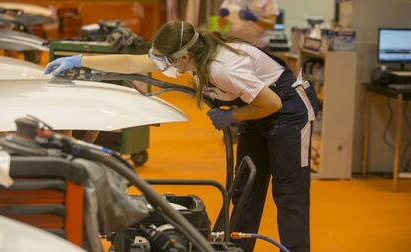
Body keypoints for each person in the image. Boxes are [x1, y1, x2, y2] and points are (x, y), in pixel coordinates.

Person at [45, 20, 318, 252]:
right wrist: (80, 60)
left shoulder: (223, 68)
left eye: (166, 61)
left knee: (288, 194)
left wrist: (232, 116)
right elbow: (133, 61)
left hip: (288, 113)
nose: (162, 65)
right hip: (257, 110)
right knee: (245, 190)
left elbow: (272, 104)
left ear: (183, 58)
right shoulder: (193, 53)